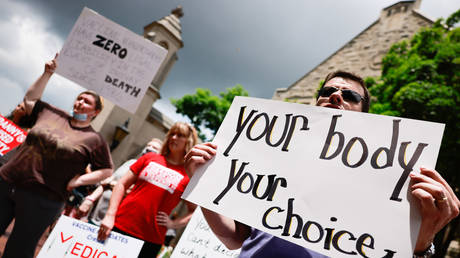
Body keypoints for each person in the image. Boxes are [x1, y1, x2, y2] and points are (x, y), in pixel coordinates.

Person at [184, 71, 460, 258]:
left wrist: (423, 244)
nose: (336, 96)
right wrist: (202, 182)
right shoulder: (269, 162)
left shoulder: (387, 184)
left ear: (366, 117)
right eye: (328, 90)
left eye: (350, 96)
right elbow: (235, 238)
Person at [0, 54, 113, 258]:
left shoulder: (94, 139)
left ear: (95, 112)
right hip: (8, 182)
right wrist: (47, 73)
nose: (80, 102)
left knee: (18, 250)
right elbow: (30, 100)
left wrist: (81, 180)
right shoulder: (51, 112)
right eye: (79, 98)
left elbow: (107, 170)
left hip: (43, 198)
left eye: (86, 101)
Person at [97, 122, 198, 258]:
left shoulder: (189, 175)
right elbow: (121, 184)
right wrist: (110, 215)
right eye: (172, 134)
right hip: (118, 226)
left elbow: (194, 211)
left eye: (180, 135)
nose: (174, 137)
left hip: (150, 240)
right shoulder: (149, 158)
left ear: (189, 141)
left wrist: (173, 224)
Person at [85, 138, 164, 224]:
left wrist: (112, 184)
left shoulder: (152, 173)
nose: (149, 148)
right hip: (95, 215)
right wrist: (90, 199)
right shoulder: (130, 163)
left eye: (154, 148)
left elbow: (131, 192)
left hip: (115, 222)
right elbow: (106, 182)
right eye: (148, 145)